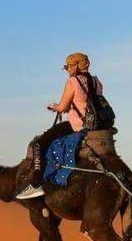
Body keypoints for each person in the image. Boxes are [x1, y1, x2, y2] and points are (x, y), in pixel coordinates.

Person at [15, 52, 106, 200]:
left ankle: (36, 184)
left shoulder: (73, 82)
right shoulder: (96, 82)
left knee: (38, 143)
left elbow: (63, 107)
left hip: (77, 126)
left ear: (75, 66)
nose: (67, 70)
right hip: (96, 126)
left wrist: (54, 107)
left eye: (67, 66)